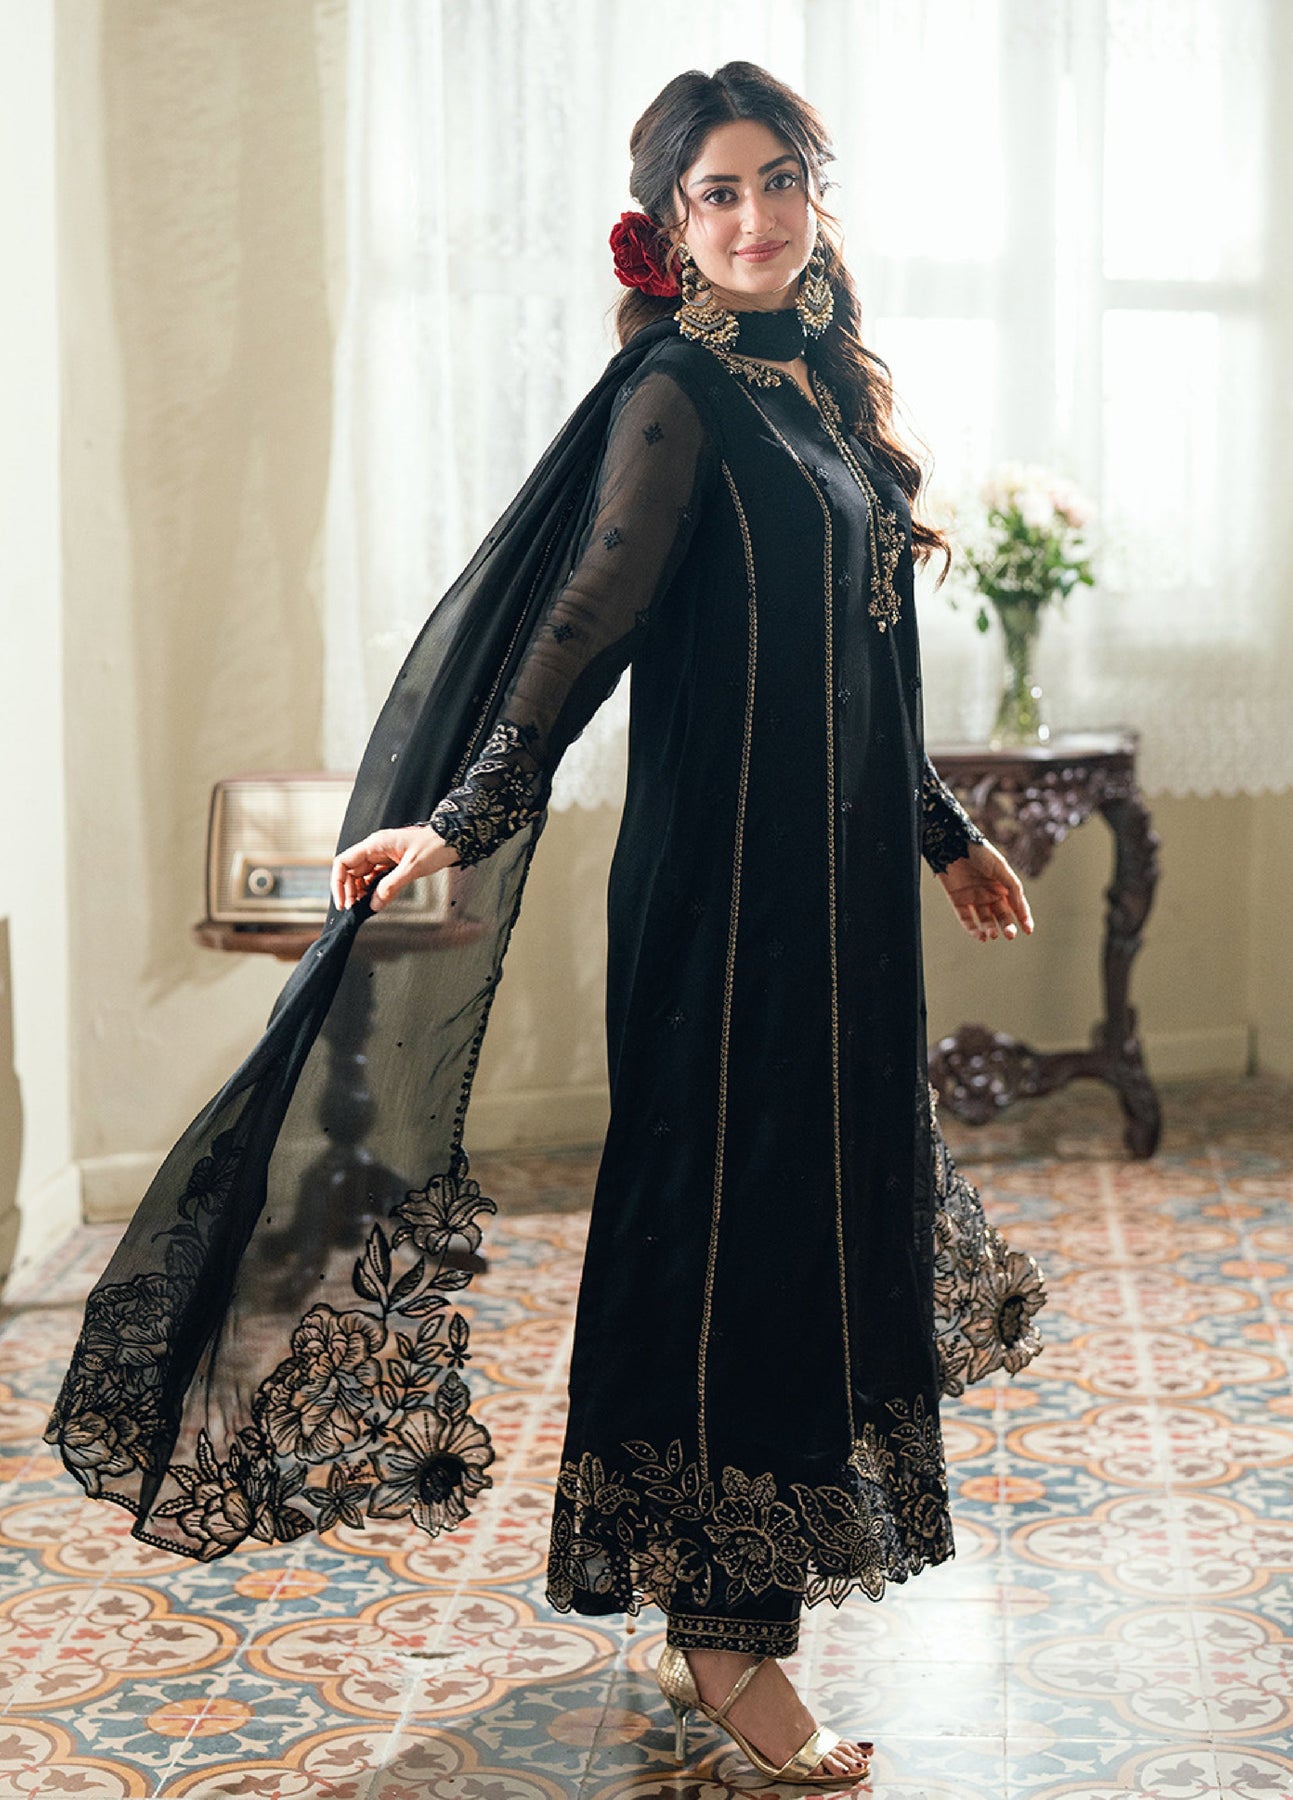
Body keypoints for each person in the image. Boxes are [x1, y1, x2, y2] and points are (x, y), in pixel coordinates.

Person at [47, 60, 1044, 1792]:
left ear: (816, 200)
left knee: (813, 1236)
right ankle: (726, 1637)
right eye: (719, 192)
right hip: (726, 907)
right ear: (669, 226)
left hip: (839, 921)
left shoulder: (816, 390)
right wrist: (458, 818)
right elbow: (582, 625)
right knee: (725, 1238)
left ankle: (724, 1601)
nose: (757, 216)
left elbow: (861, 666)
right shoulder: (677, 392)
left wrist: (941, 834)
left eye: (780, 181)